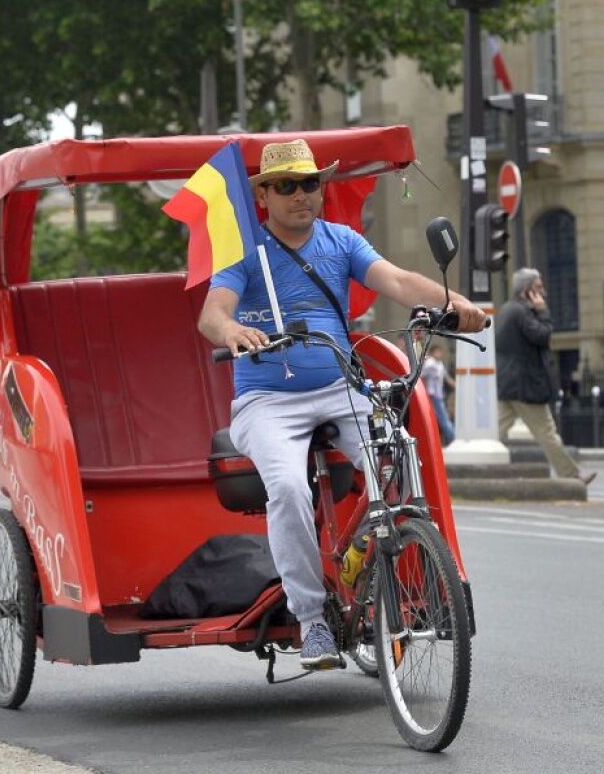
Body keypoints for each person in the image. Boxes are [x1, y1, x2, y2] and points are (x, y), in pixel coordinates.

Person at [197, 138, 486, 670]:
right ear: (263, 196)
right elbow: (212, 314)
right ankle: (312, 621)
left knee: (399, 453)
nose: (301, 195)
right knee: (288, 488)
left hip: (340, 390)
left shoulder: (342, 241)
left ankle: (365, 558)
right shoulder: (246, 252)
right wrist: (232, 330)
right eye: (286, 186)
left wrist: (455, 303)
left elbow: (397, 280)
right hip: (267, 401)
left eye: (310, 183)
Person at [496, 268, 596, 485]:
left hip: (509, 382)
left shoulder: (507, 309)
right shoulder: (522, 312)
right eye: (539, 288)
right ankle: (571, 474)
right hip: (525, 385)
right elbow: (542, 335)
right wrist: (543, 312)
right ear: (527, 291)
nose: (544, 292)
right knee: (547, 431)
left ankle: (458, 467)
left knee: (495, 431)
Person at [421, 345, 456, 446]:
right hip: (432, 395)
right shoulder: (430, 364)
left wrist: (457, 386)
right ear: (432, 353)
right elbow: (422, 377)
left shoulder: (439, 364)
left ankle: (445, 439)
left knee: (439, 418)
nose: (439, 354)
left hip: (439, 395)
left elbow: (446, 378)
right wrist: (424, 393)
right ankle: (453, 437)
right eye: (437, 352)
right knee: (443, 417)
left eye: (440, 352)